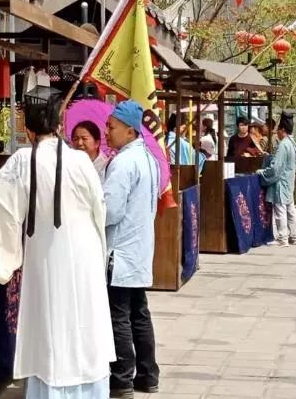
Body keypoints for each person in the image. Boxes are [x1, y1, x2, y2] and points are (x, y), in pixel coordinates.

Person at [0, 97, 115, 399]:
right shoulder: (80, 160)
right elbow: (99, 207)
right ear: (58, 127)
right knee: (85, 318)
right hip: (84, 252)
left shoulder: (21, 160)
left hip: (44, 253)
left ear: (27, 131)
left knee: (49, 317)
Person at [104, 100, 160, 398]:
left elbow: (111, 210)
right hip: (137, 249)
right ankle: (148, 374)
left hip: (122, 251)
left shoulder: (124, 162)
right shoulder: (147, 158)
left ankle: (122, 377)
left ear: (129, 131)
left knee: (120, 315)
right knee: (139, 313)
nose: (106, 132)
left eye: (111, 127)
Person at [257, 112, 296, 247]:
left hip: (281, 181)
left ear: (282, 130)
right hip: (289, 180)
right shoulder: (293, 144)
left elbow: (276, 168)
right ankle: (294, 236)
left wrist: (262, 172)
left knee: (280, 209)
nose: (277, 134)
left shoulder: (283, 145)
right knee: (290, 210)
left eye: (278, 131)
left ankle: (283, 238)